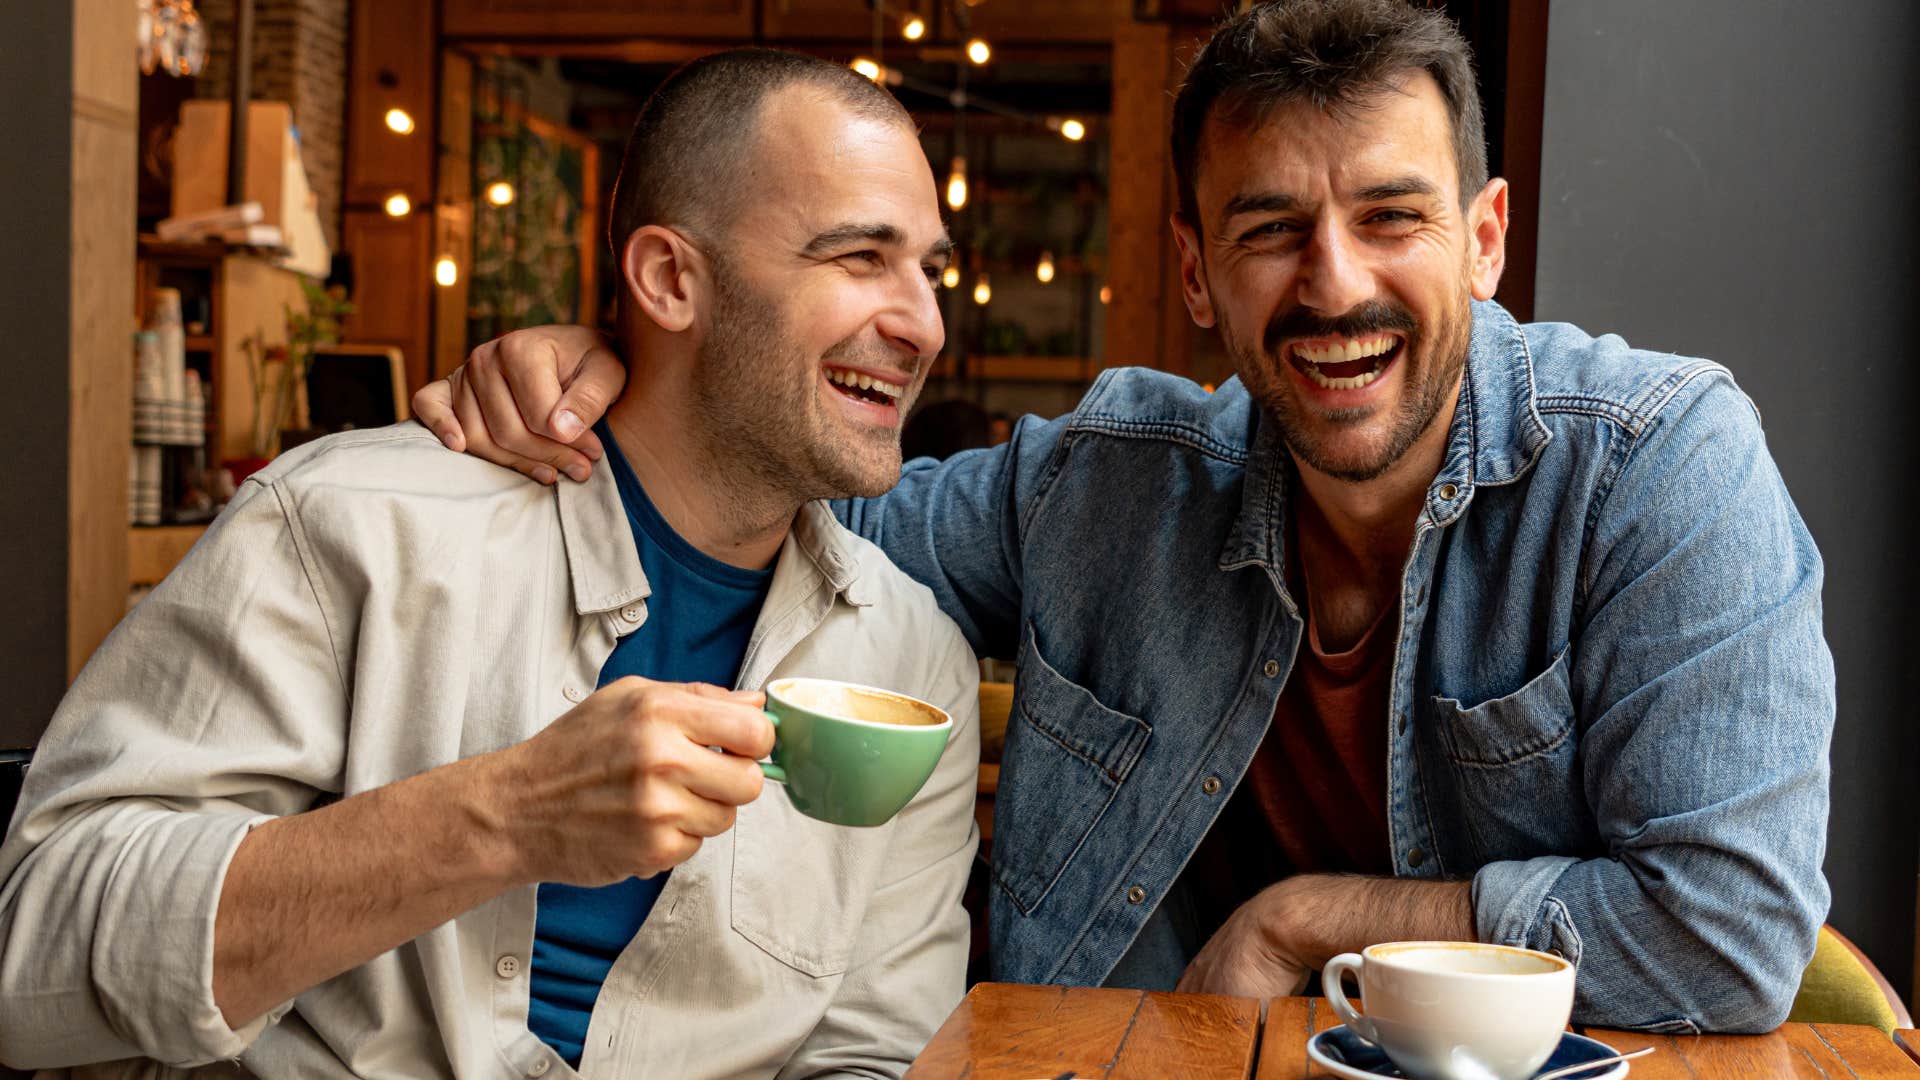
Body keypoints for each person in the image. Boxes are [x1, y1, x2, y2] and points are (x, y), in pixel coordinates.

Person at [415, 0, 1833, 1034]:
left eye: (1392, 218)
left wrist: (1298, 923)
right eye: (1270, 227)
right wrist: (626, 368)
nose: (1332, 283)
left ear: (1484, 238)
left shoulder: (1656, 466)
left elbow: (1730, 933)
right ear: (1198, 270)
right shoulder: (1100, 486)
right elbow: (778, 512)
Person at [0, 49, 979, 1078]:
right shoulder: (354, 524)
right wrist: (502, 817)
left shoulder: (912, 664)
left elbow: (873, 1054)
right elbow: (33, 954)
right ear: (669, 279)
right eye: (861, 257)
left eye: (930, 269)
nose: (924, 322)